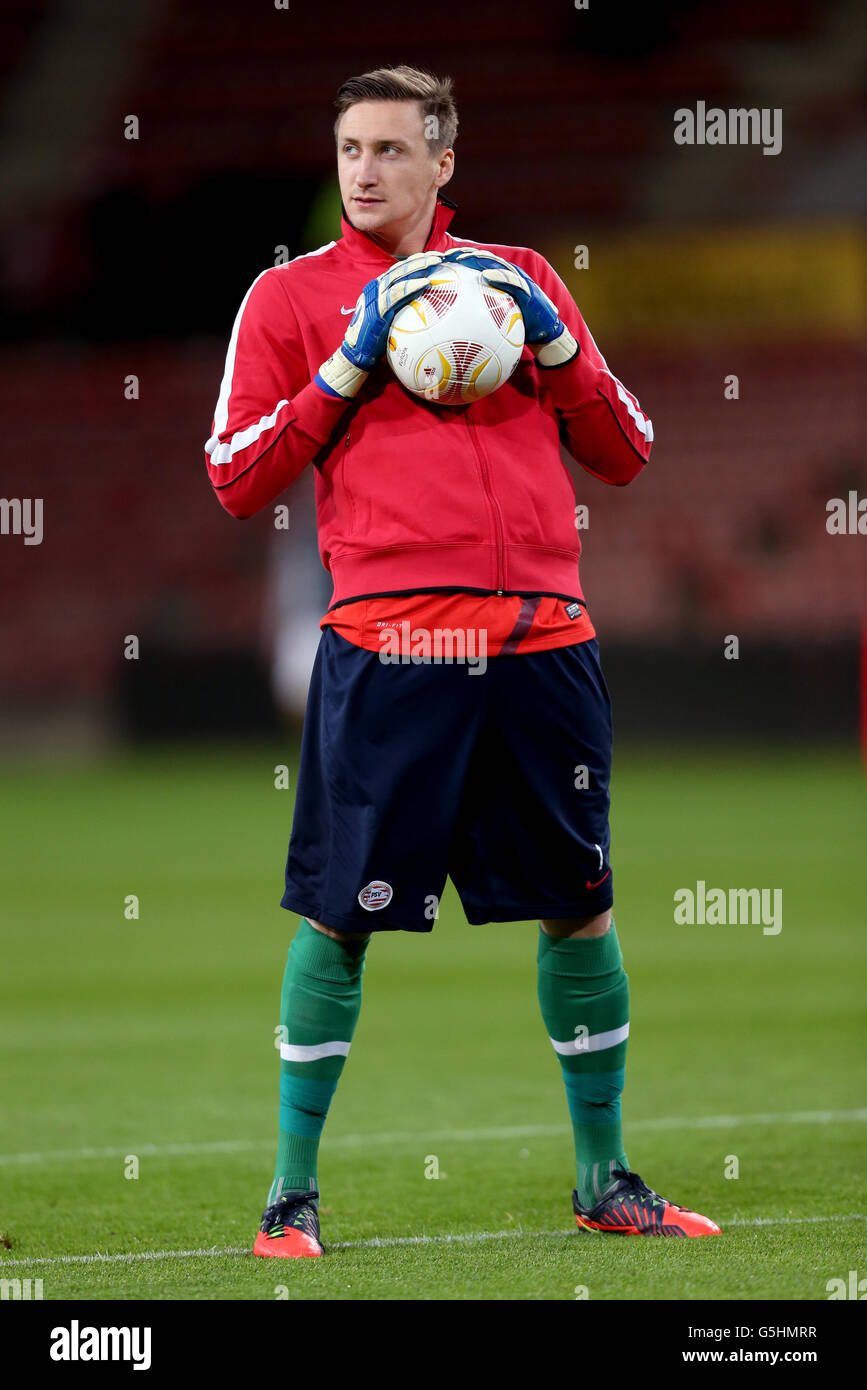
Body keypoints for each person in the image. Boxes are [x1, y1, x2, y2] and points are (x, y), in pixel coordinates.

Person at [204, 65, 720, 1256]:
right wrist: (348, 364)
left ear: (444, 163)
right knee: (341, 918)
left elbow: (628, 449)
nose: (366, 172)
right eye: (350, 150)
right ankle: (292, 1195)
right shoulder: (289, 301)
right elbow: (236, 478)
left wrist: (553, 349)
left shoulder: (523, 279)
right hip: (391, 646)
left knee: (581, 908)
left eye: (392, 150)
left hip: (545, 640)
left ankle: (606, 1179)